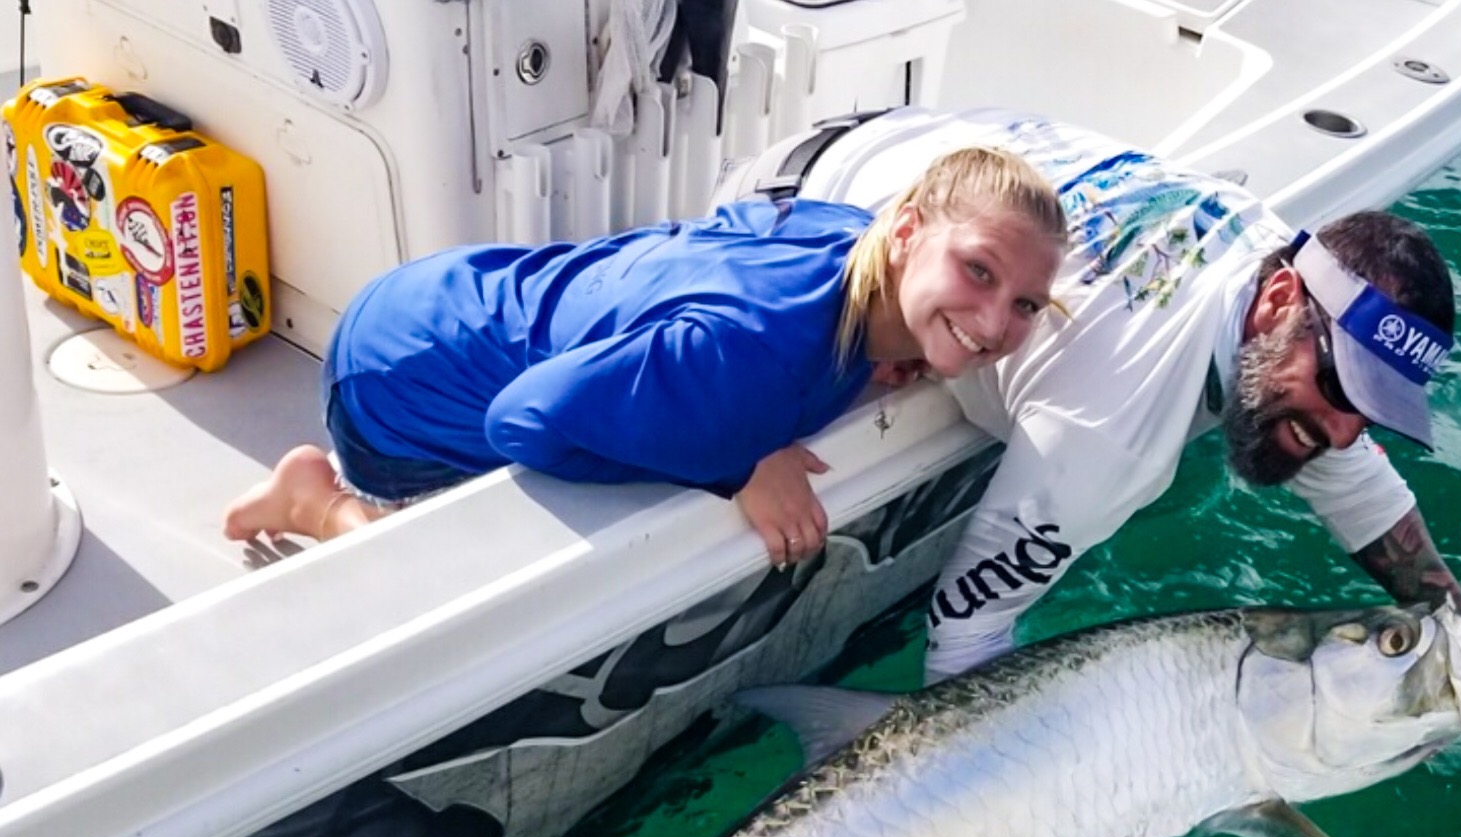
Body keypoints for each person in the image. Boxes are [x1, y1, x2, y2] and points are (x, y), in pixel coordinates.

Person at [720, 107, 1461, 725]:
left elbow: (1353, 478)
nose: (1341, 432)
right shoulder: (1109, 426)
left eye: (1373, 414)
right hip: (782, 217)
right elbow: (966, 628)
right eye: (1341, 390)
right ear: (1283, 297)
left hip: (899, 130)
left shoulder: (1271, 268)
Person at [222, 145, 1068, 569]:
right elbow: (520, 419)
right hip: (394, 378)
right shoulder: (750, 353)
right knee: (424, 585)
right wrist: (733, 468)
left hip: (459, 291)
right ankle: (319, 502)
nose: (996, 320)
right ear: (911, 235)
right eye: (978, 271)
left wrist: (908, 349)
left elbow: (733, 232)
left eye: (1025, 303)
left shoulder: (852, 243)